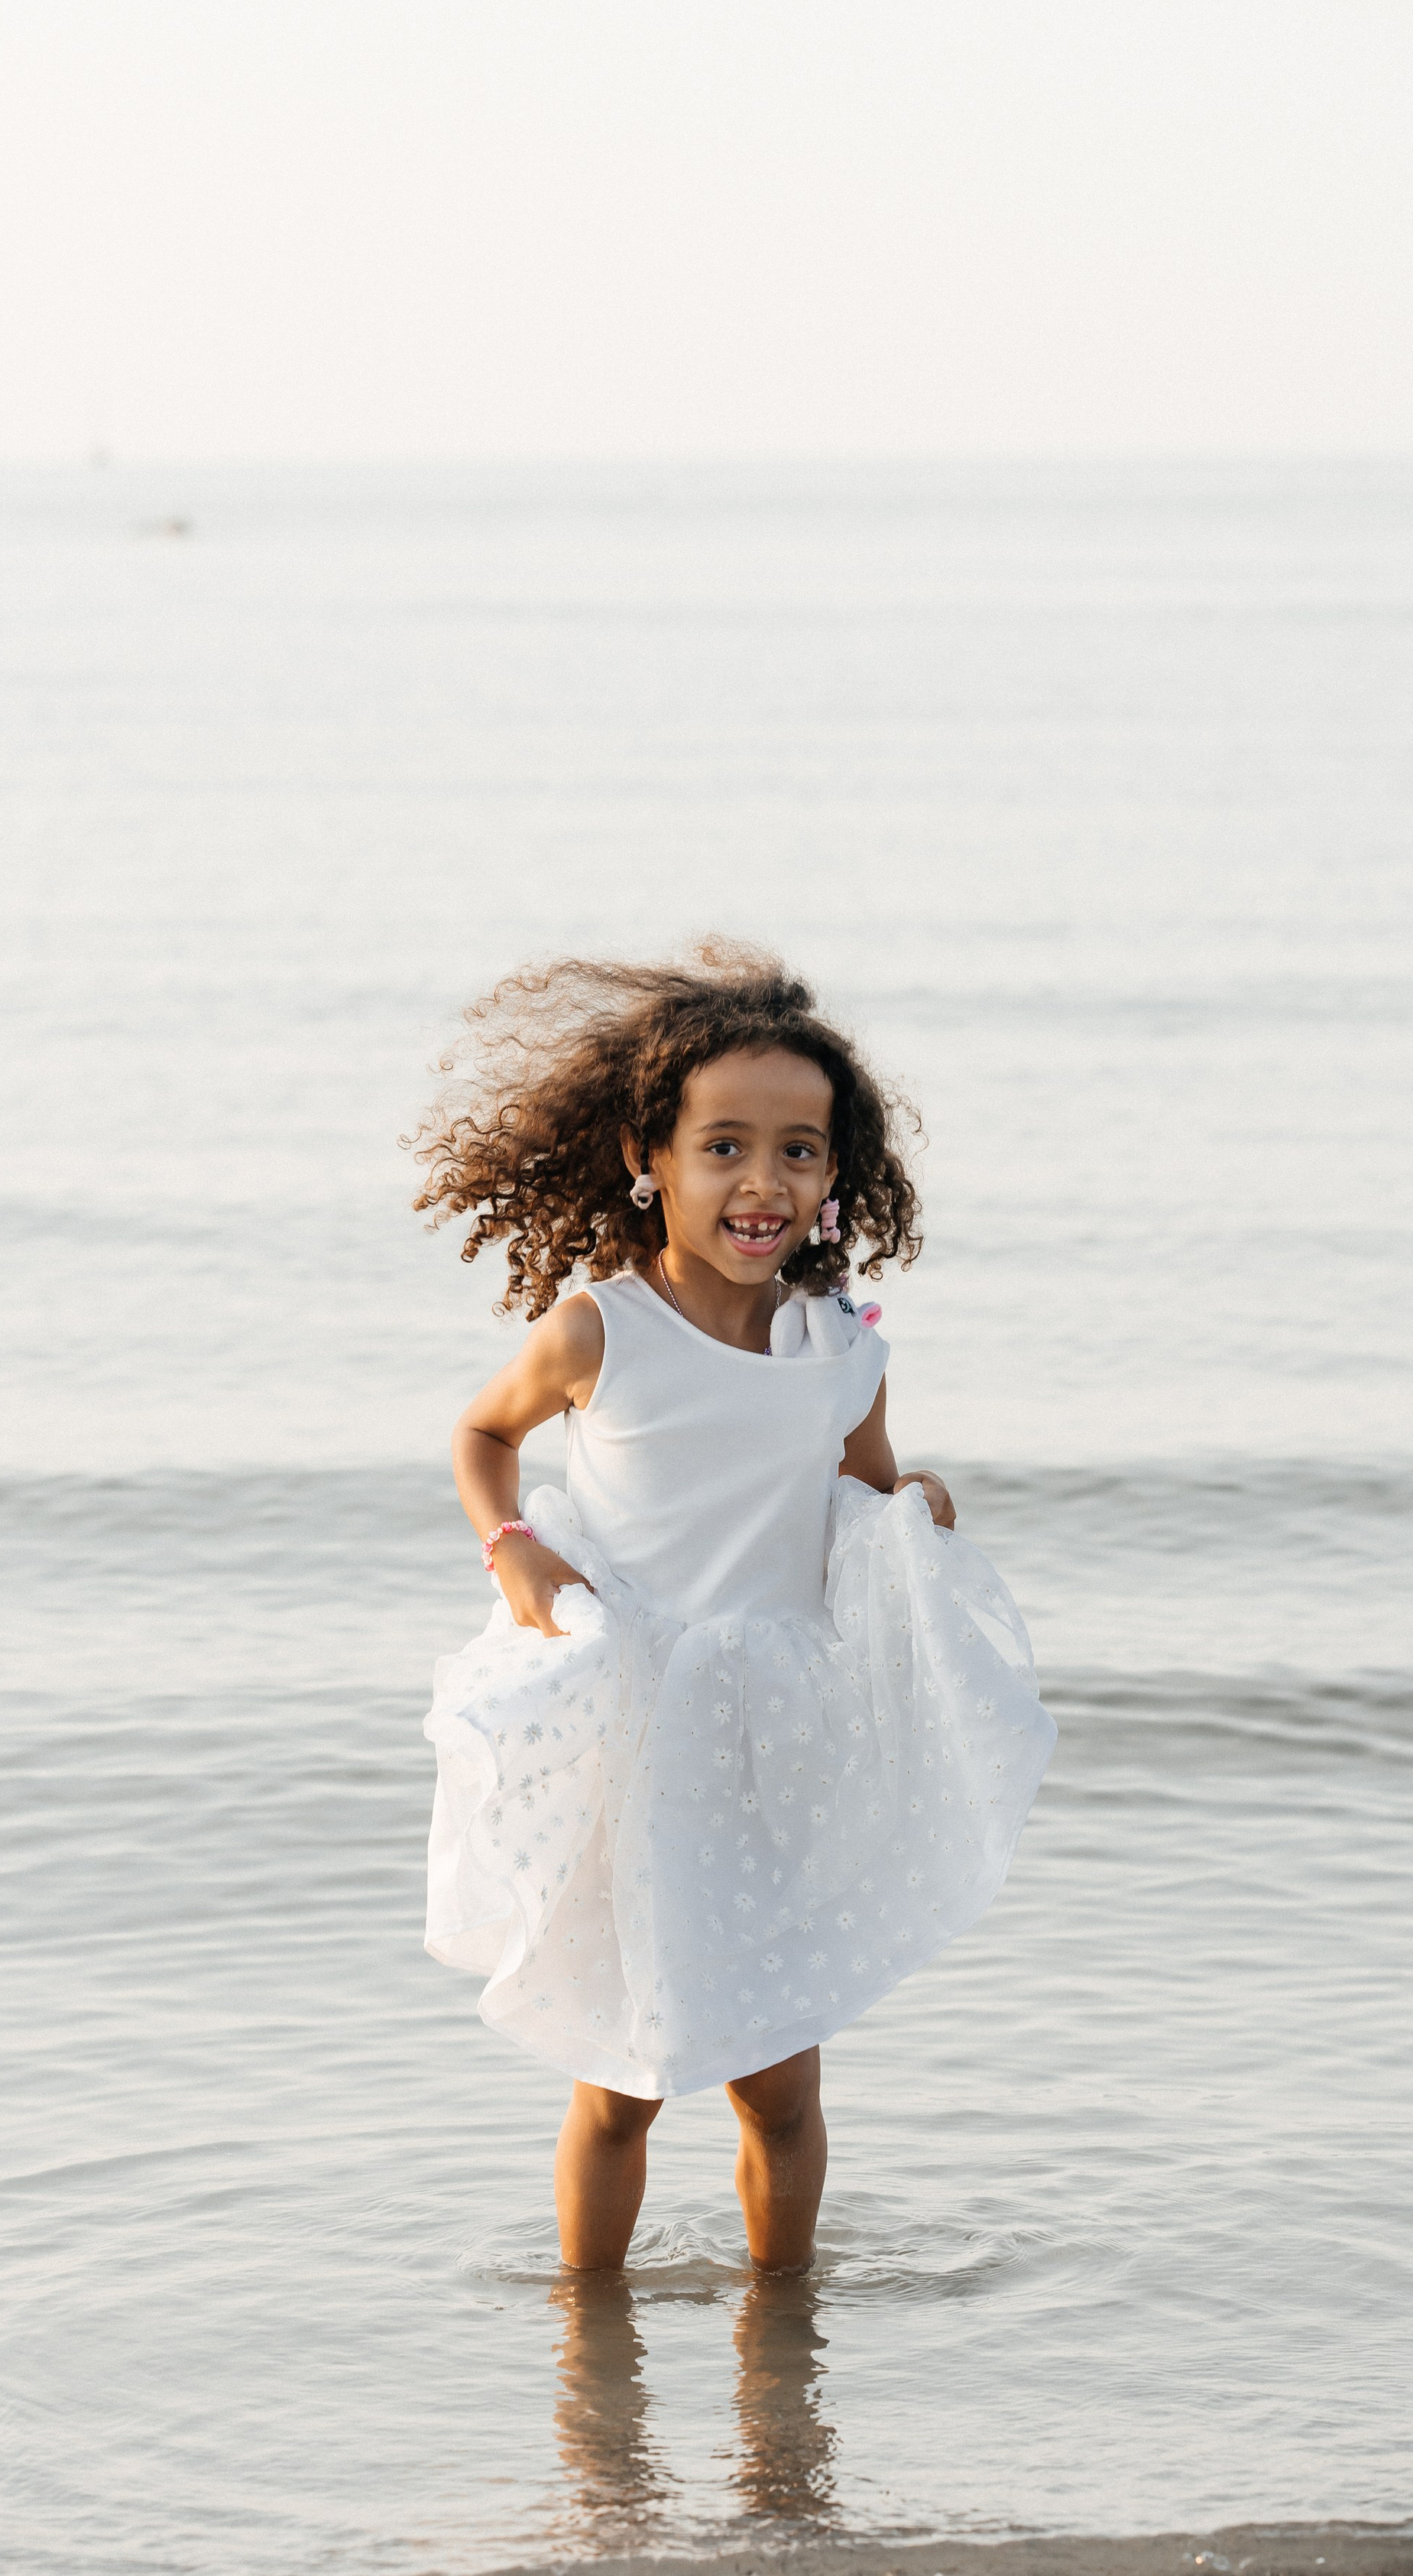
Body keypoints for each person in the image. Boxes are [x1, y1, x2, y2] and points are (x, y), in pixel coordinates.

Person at [413, 942, 1054, 2274]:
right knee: (622, 2081)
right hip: (636, 1733)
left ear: (837, 1173)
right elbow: (482, 1434)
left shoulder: (841, 1351)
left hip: (773, 1741)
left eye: (800, 1150)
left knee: (781, 2086)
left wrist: (913, 1507)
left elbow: (859, 1498)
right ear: (653, 1154)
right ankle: (590, 2355)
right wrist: (514, 1546)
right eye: (726, 1147)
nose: (763, 1182)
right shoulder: (602, 1330)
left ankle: (784, 2350)